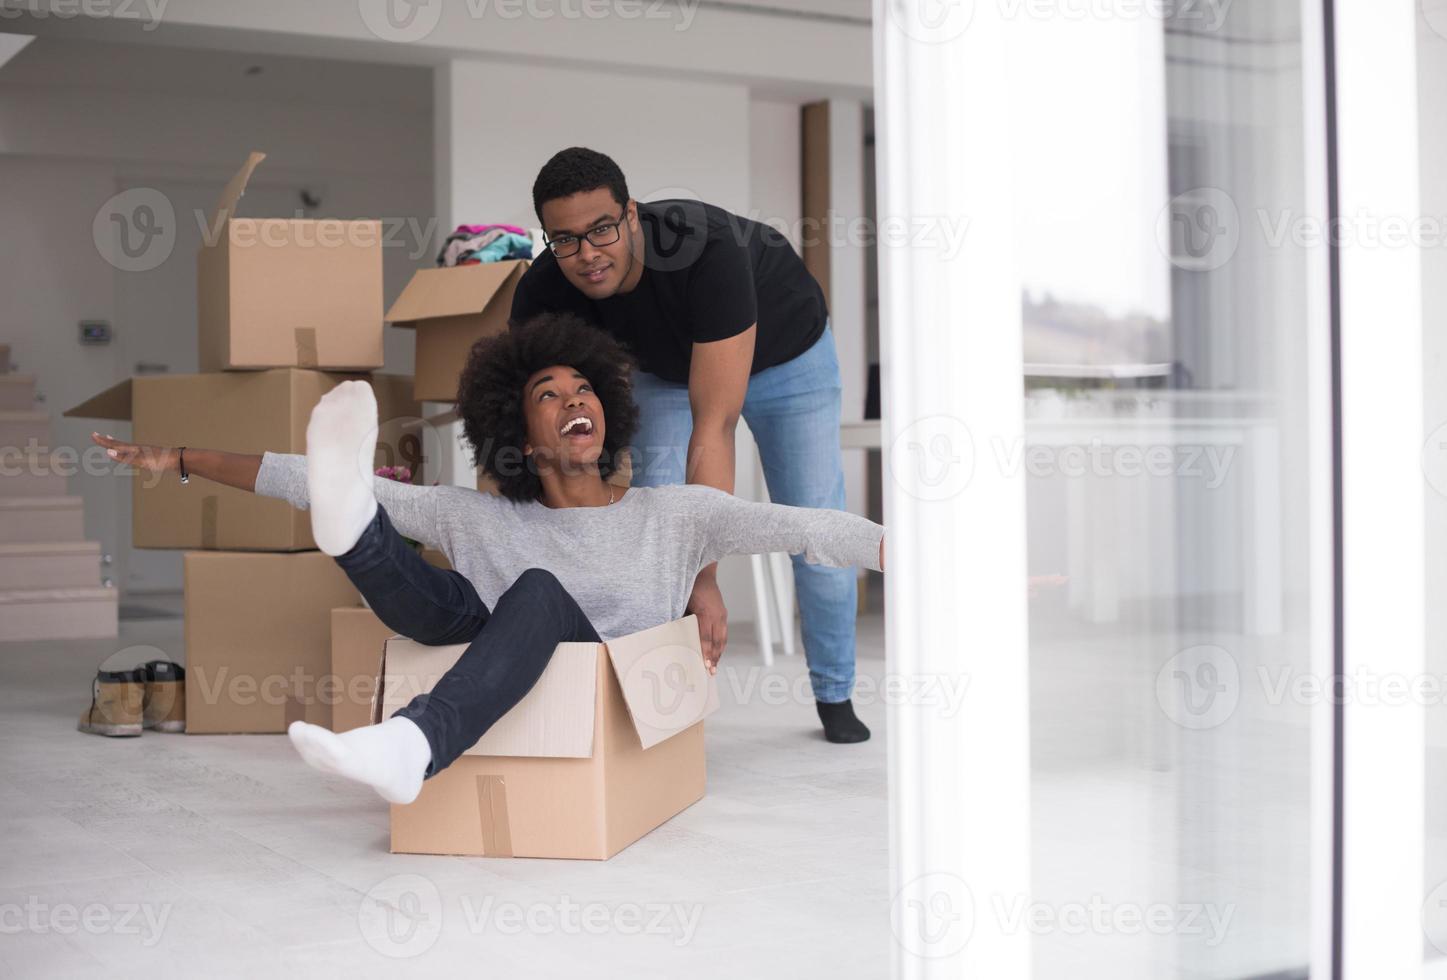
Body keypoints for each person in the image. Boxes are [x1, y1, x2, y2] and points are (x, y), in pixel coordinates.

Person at [91, 314, 885, 804]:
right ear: (517, 427)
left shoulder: (678, 515)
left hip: (600, 680)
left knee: (534, 591)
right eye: (549, 393)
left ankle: (413, 742)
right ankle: (352, 530)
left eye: (585, 388)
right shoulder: (478, 515)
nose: (576, 399)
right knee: (426, 575)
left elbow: (806, 527)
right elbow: (298, 477)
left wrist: (903, 552)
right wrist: (182, 456)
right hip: (480, 644)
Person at [511, 146, 870, 742]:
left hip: (789, 358)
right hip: (667, 371)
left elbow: (715, 426)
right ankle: (664, 700)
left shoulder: (704, 250)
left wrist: (704, 578)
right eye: (564, 239)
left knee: (812, 523)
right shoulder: (544, 290)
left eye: (601, 229)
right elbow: (526, 415)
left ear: (630, 214)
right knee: (656, 528)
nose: (587, 254)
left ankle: (835, 694)